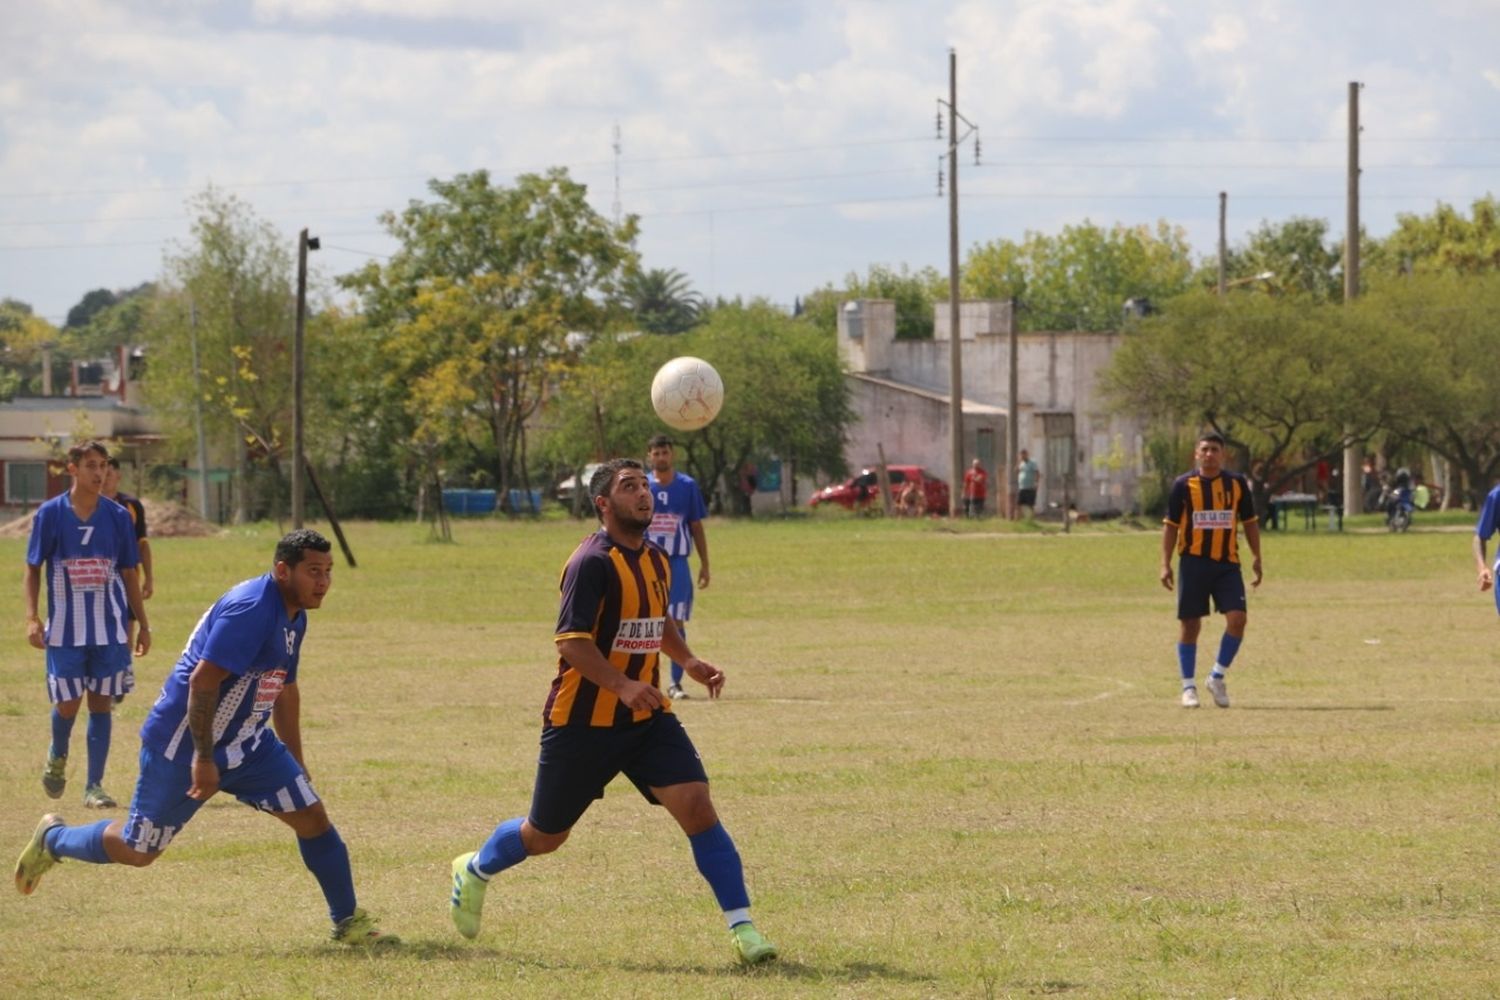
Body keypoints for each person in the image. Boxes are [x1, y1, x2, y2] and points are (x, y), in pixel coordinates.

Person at [447, 459, 777, 966]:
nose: (644, 494)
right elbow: (572, 642)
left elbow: (655, 618)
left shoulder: (657, 559)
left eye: (645, 485)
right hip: (581, 723)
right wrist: (621, 684)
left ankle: (744, 930)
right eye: (630, 487)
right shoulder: (590, 563)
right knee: (544, 836)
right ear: (604, 503)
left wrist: (686, 658)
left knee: (697, 806)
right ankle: (475, 868)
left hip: (646, 719)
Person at [13, 529, 398, 948]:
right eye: (313, 572)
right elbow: (202, 682)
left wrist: (296, 760)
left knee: (312, 818)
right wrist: (203, 757)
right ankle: (54, 840)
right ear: (283, 570)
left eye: (327, 572)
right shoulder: (251, 609)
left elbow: (283, 687)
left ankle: (348, 923)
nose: (322, 582)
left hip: (248, 744)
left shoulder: (294, 613)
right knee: (139, 849)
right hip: (183, 746)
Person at [23, 441, 151, 810]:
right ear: (73, 469)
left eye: (104, 465)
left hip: (110, 629)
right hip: (65, 629)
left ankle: (94, 785)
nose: (100, 473)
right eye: (92, 465)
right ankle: (57, 754)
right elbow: (33, 568)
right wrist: (32, 618)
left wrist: (143, 624)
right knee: (67, 703)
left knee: (101, 705)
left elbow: (128, 571)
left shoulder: (118, 516)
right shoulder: (50, 515)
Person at [1159, 432, 1263, 709]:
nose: (1209, 454)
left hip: (1227, 563)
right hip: (1193, 562)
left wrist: (1256, 556)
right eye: (1204, 449)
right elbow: (1171, 525)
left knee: (1238, 619)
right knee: (1191, 624)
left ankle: (1216, 676)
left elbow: (1250, 521)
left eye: (1214, 449)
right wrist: (1165, 563)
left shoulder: (1237, 484)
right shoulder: (1183, 485)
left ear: (1223, 454)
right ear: (1196, 454)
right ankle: (1188, 687)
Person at [644, 434, 710, 700]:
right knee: (646, 621)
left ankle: (675, 683)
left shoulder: (687, 486)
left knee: (676, 620)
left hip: (678, 563)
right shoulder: (641, 486)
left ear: (672, 455)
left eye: (665, 452)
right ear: (649, 456)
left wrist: (705, 564)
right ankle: (648, 679)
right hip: (647, 562)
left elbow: (696, 526)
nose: (661, 457)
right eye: (656, 453)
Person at [103, 457, 153, 703]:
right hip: (100, 579)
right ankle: (105, 680)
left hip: (127, 576)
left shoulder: (130, 506)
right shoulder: (89, 506)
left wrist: (150, 578)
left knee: (126, 629)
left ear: (118, 475)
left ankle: (121, 679)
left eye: (110, 472)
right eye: (102, 471)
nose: (105, 476)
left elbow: (142, 544)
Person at [1015, 449, 1041, 520]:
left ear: (1027, 454)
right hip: (1022, 487)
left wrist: (1036, 483)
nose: (1022, 456)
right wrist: (1018, 463)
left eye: (1023, 454)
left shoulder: (1032, 463)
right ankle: (1019, 519)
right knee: (1019, 504)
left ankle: (1031, 519)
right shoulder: (1021, 463)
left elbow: (1037, 473)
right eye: (1021, 455)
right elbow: (1017, 471)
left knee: (1030, 504)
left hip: (1030, 487)